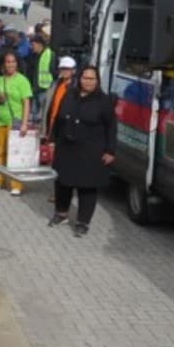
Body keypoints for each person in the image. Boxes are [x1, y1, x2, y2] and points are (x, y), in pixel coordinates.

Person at [47, 66, 116, 237]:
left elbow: (111, 127)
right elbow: (58, 119)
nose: (88, 81)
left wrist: (110, 151)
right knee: (63, 182)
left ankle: (82, 222)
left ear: (97, 81)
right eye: (85, 78)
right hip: (66, 148)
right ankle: (61, 213)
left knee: (87, 188)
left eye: (92, 79)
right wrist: (52, 140)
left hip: (91, 152)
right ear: (80, 78)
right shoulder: (70, 94)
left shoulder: (104, 101)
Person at [0, 50, 33, 196]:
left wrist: (25, 123)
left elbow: (26, 103)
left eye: (13, 62)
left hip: (14, 122)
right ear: (3, 64)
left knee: (14, 155)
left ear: (17, 64)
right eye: (7, 62)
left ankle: (16, 184)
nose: (10, 64)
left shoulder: (22, 80)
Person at [28, 34, 56, 126]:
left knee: (44, 114)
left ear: (39, 44)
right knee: (34, 115)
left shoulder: (49, 54)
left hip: (45, 89)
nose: (32, 46)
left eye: (33, 44)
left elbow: (54, 72)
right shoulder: (34, 55)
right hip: (35, 89)